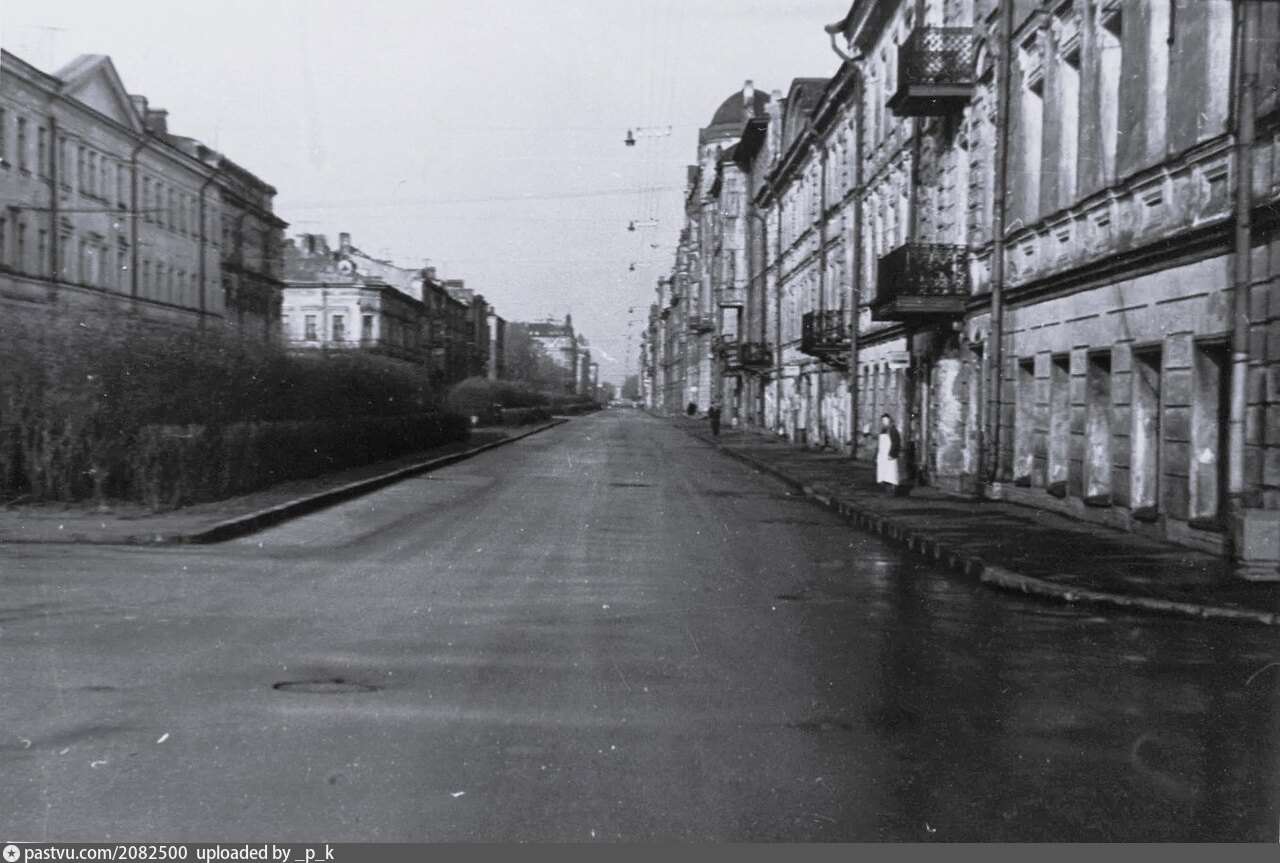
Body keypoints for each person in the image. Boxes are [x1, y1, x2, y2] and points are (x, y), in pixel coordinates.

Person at [876, 413, 901, 493]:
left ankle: (893, 490)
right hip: (882, 455)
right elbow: (880, 444)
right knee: (884, 474)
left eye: (885, 420)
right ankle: (887, 490)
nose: (884, 422)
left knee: (891, 474)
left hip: (890, 456)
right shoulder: (883, 430)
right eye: (883, 420)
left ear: (889, 420)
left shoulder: (893, 430)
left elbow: (896, 443)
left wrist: (892, 454)